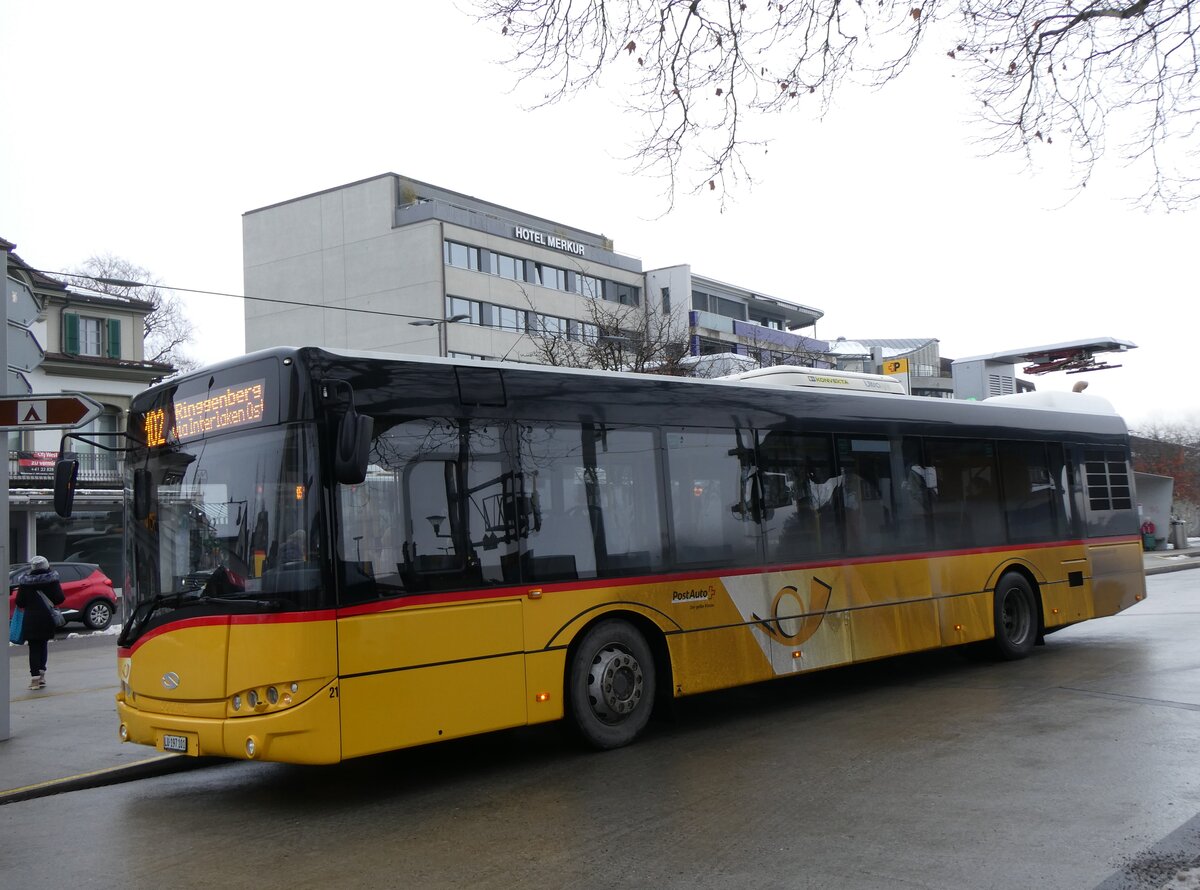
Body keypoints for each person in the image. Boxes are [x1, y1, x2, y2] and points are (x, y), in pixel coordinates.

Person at [15, 556, 65, 690]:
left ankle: (35, 679)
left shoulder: (25, 582)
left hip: (31, 619)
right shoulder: (52, 580)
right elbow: (60, 598)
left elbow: (20, 602)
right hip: (46, 618)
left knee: (34, 648)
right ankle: (42, 675)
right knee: (43, 645)